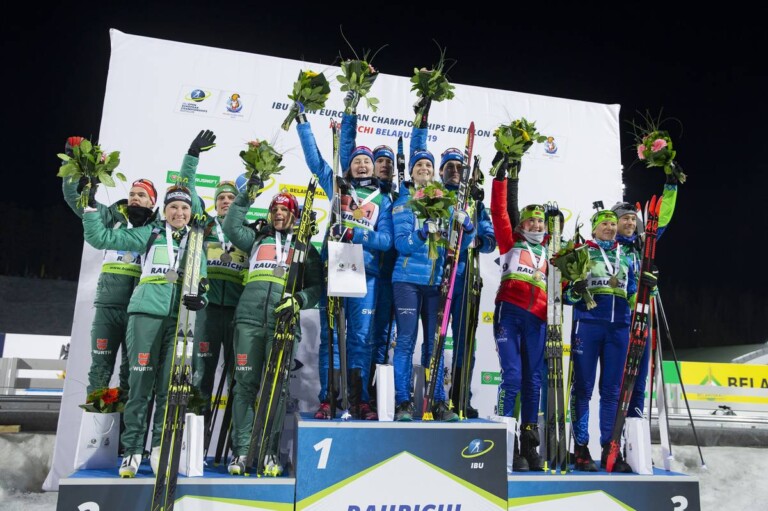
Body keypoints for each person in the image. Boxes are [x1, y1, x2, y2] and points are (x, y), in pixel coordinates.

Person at [81, 130, 215, 478]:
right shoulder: (151, 233)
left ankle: (159, 448)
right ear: (164, 211)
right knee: (140, 385)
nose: (179, 212)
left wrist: (200, 297)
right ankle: (131, 450)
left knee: (169, 388)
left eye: (185, 207)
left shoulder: (196, 241)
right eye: (173, 207)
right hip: (144, 315)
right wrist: (91, 207)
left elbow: (202, 280)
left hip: (180, 321)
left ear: (191, 212)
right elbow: (101, 237)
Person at [295, 103, 393, 421]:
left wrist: (357, 234)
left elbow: (386, 240)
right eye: (356, 161)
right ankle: (329, 398)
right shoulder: (338, 189)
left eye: (367, 161)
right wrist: (303, 123)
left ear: (373, 168)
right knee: (331, 337)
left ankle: (360, 398)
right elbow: (315, 162)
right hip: (336, 267)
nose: (362, 165)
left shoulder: (384, 200)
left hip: (367, 273)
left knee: (361, 339)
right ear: (349, 167)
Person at [222, 184, 323, 475]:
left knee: (277, 389)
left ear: (295, 215)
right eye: (274, 209)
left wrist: (299, 300)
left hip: (283, 323)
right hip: (248, 320)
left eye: (284, 210)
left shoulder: (305, 247)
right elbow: (230, 225)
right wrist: (248, 191)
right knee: (244, 386)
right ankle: (241, 452)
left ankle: (269, 452)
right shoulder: (255, 237)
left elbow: (317, 287)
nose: (279, 214)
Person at [390, 100, 474, 423]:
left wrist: (467, 227)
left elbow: (459, 244)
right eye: (419, 166)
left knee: (435, 344)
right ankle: (402, 402)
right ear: (411, 172)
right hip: (407, 281)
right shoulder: (403, 202)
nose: (424, 169)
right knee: (406, 341)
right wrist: (422, 233)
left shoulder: (445, 202)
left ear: (434, 172)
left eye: (428, 165)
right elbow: (401, 244)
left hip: (437, 282)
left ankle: (438, 400)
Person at [61, 136, 159, 402]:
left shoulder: (158, 230)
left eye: (142, 195)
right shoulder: (111, 216)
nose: (135, 198)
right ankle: (96, 419)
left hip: (138, 309)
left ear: (152, 202)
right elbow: (75, 198)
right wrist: (74, 165)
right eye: (133, 194)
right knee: (100, 369)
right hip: (107, 306)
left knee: (130, 372)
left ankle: (124, 425)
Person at [564, 208, 636, 473]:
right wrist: (575, 291)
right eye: (604, 224)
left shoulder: (626, 255)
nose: (609, 227)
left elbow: (632, 292)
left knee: (612, 391)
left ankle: (610, 448)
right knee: (583, 388)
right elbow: (566, 296)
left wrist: (650, 288)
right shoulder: (582, 252)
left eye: (612, 224)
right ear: (594, 228)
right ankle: (581, 448)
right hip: (589, 325)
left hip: (619, 329)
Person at [488, 158, 547, 471]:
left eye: (540, 221)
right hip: (509, 314)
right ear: (522, 225)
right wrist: (501, 179)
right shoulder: (510, 241)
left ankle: (528, 445)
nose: (536, 225)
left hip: (537, 321)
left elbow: (564, 288)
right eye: (530, 221)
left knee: (533, 382)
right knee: (512, 377)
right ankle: (506, 442)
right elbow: (500, 212)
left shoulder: (553, 253)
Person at [611, 172, 678, 420]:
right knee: (617, 377)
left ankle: (636, 429)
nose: (630, 223)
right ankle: (612, 432)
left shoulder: (643, 243)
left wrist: (671, 186)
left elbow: (663, 218)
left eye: (632, 219)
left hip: (641, 314)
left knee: (639, 377)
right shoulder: (610, 246)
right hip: (617, 316)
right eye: (624, 219)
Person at [439, 147, 496, 419]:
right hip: (438, 276)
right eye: (449, 167)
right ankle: (436, 398)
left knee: (465, 341)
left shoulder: (475, 203)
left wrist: (475, 239)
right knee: (434, 339)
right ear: (441, 171)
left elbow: (490, 241)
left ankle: (460, 397)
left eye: (459, 167)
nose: (454, 171)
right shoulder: (433, 196)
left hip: (466, 277)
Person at [191, 180, 249, 428]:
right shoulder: (205, 227)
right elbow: (189, 194)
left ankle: (237, 441)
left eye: (231, 198)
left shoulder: (248, 232)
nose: (226, 201)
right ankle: (195, 440)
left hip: (238, 312)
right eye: (221, 198)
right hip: (208, 311)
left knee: (239, 378)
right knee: (201, 375)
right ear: (215, 204)